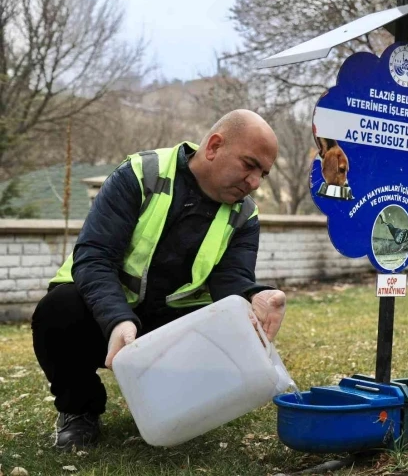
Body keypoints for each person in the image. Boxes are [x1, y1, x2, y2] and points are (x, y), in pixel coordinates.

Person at [31, 109, 287, 451]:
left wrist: (254, 296)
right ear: (213, 146)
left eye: (263, 174)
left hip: (172, 325)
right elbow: (94, 257)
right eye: (249, 165)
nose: (254, 182)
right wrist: (117, 320)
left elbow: (232, 280)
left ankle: (169, 406)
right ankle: (79, 410)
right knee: (57, 312)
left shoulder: (245, 214)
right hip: (106, 314)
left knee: (228, 329)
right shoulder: (141, 174)